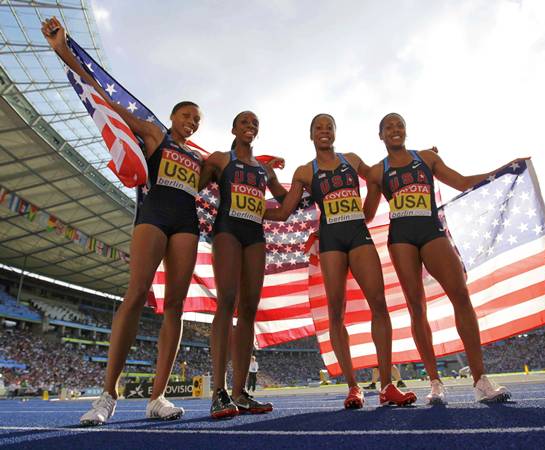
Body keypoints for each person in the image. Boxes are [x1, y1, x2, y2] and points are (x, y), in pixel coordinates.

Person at [43, 17, 203, 424]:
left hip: (186, 223)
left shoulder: (202, 160)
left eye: (197, 119)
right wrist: (63, 50)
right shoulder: (154, 133)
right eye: (186, 115)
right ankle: (106, 395)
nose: (192, 122)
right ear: (172, 117)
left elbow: (237, 176)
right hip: (153, 216)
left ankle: (158, 396)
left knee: (176, 307)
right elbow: (105, 98)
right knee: (135, 293)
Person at [264, 113, 416, 409]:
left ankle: (386, 385)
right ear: (311, 135)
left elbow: (382, 174)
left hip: (359, 236)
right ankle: (353, 387)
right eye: (319, 128)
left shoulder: (352, 159)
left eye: (329, 127)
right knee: (335, 312)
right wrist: (252, 207)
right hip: (331, 241)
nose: (324, 131)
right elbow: (285, 211)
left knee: (379, 305)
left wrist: (416, 161)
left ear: (335, 132)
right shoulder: (305, 171)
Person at [364, 112, 518, 404]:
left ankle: (480, 380)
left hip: (431, 232)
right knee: (416, 307)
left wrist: (503, 170)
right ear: (380, 135)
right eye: (389, 127)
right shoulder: (376, 171)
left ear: (405, 132)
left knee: (460, 294)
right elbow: (367, 214)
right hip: (401, 239)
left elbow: (461, 182)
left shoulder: (426, 158)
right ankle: (435, 383)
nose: (395, 129)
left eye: (400, 125)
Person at [199, 111, 286, 419]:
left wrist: (305, 183)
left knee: (249, 308)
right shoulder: (220, 159)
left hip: (255, 235)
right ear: (233, 128)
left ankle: (240, 393)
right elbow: (193, 185)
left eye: (255, 124)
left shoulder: (264, 170)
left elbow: (286, 205)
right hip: (227, 230)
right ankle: (219, 392)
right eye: (245, 122)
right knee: (226, 301)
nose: (250, 127)